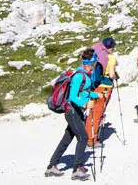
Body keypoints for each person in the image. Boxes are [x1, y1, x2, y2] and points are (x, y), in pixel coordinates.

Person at [46, 50, 99, 180]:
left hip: (76, 111)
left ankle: (52, 166)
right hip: (72, 111)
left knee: (67, 138)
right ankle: (77, 169)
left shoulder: (84, 74)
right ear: (92, 62)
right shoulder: (79, 76)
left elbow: (84, 91)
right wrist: (85, 104)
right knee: (83, 137)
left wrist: (96, 95)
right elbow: (73, 96)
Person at [85, 37, 117, 147]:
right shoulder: (110, 57)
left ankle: (88, 135)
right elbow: (112, 74)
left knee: (93, 111)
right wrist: (115, 76)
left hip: (95, 86)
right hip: (105, 87)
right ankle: (91, 140)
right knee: (97, 113)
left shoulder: (96, 53)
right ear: (112, 47)